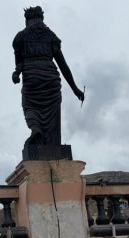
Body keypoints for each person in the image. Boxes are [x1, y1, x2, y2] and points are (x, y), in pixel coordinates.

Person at [12, 6, 85, 147]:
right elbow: (63, 65)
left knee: (29, 106)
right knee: (53, 118)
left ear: (27, 20)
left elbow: (19, 65)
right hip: (51, 80)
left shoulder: (20, 37)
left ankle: (35, 128)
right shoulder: (50, 36)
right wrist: (75, 89)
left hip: (31, 77)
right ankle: (53, 148)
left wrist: (16, 74)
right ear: (41, 18)